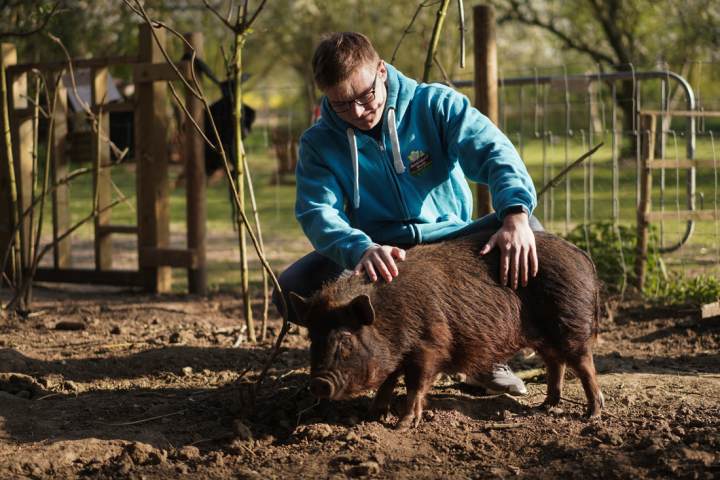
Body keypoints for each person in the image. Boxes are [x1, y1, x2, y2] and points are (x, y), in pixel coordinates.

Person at [273, 32, 541, 396]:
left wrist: (514, 213)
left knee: (530, 236)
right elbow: (318, 212)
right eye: (341, 104)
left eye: (364, 96)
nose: (356, 112)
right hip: (376, 250)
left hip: (452, 239)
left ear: (381, 71)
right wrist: (359, 248)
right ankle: (368, 357)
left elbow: (495, 151)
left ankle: (486, 358)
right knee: (293, 288)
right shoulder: (319, 143)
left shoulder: (435, 105)